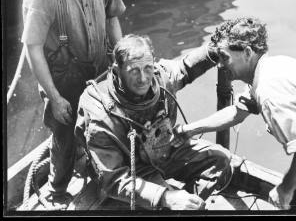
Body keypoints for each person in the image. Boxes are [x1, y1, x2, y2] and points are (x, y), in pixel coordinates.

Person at [74, 34, 233, 210]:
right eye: (134, 70)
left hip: (165, 150)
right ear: (117, 70)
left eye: (147, 68)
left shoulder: (161, 78)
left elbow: (185, 67)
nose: (143, 78)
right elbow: (114, 179)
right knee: (167, 206)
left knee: (221, 160)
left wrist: (215, 49)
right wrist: (166, 197)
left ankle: (191, 198)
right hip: (131, 170)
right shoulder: (101, 114)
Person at [174, 17, 296, 211]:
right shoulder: (272, 68)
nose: (220, 66)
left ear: (247, 53)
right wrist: (187, 130)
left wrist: (284, 190)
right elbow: (236, 113)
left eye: (224, 57)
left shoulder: (268, 92)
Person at [21, 0, 125, 209]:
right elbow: (33, 47)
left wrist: (122, 63)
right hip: (62, 81)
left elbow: (112, 19)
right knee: (64, 135)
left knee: (106, 124)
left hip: (98, 72)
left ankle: (100, 170)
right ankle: (56, 190)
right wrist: (55, 98)